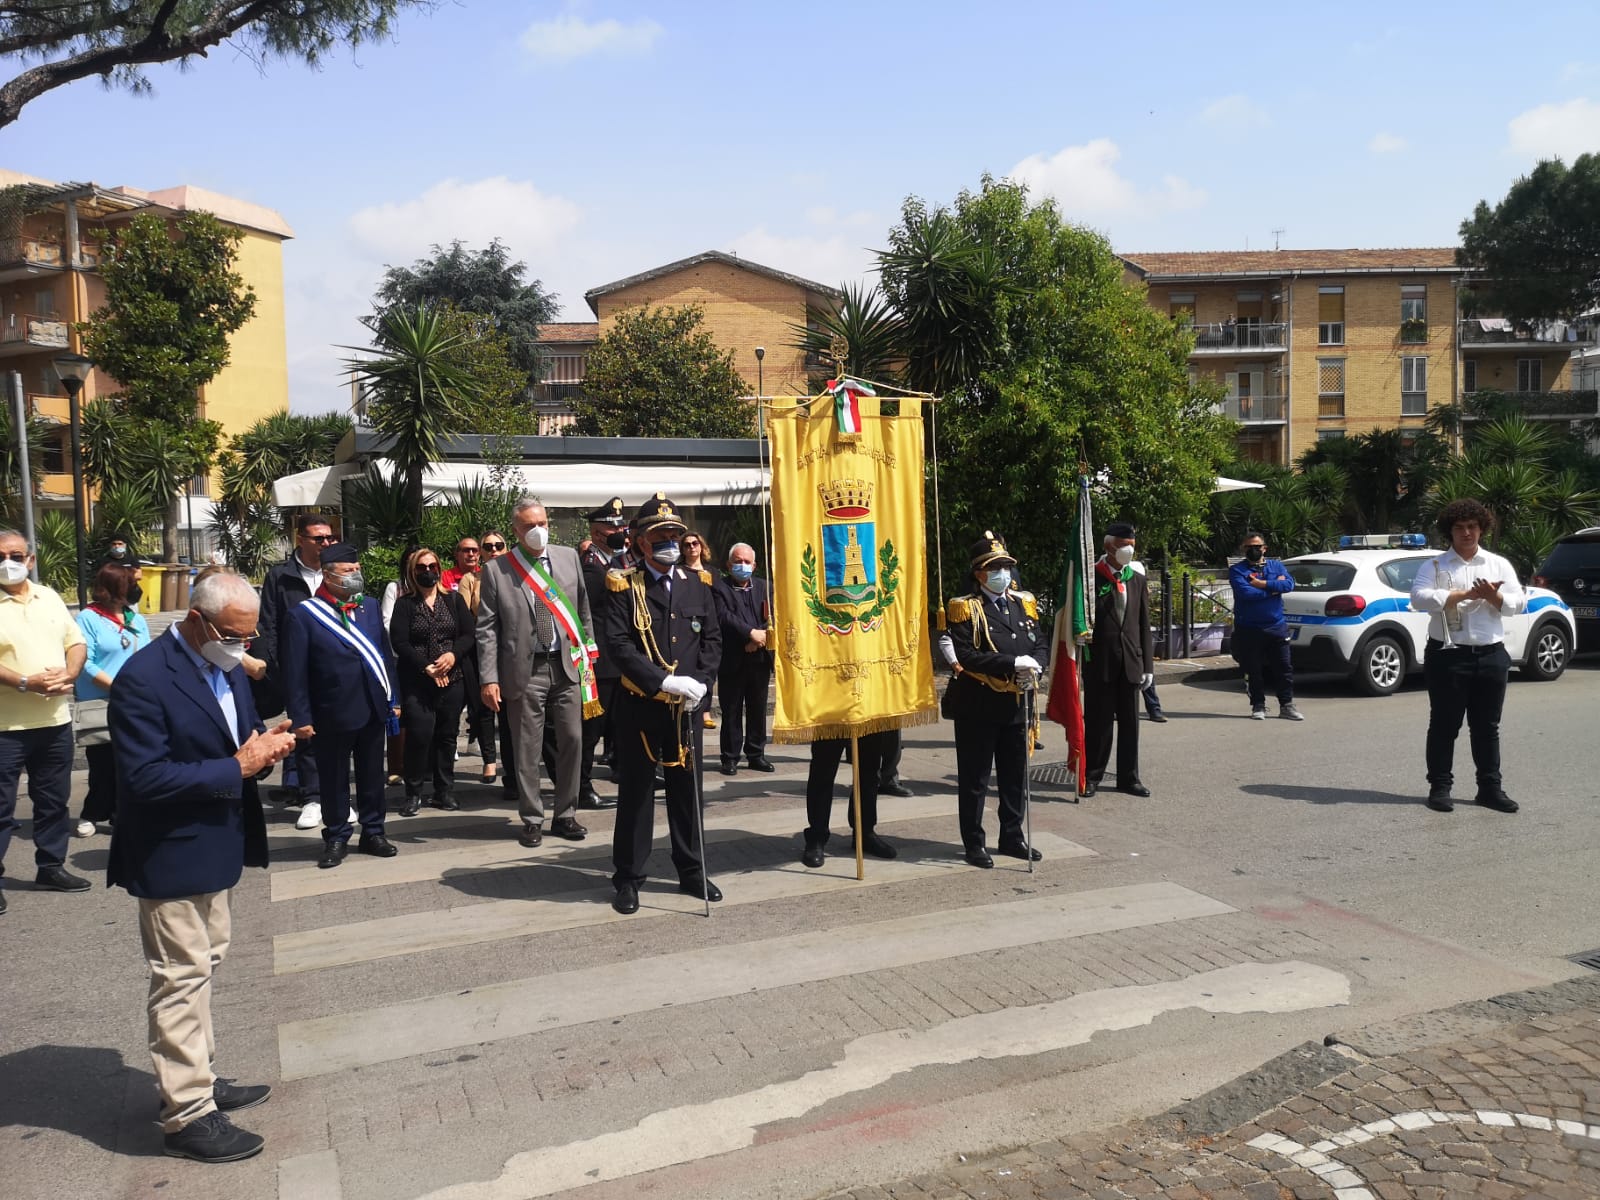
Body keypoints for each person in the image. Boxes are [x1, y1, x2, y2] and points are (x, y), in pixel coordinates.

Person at [107, 571, 297, 1162]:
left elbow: (238, 743)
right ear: (196, 621)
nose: (244, 646)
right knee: (180, 979)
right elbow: (142, 779)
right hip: (168, 852)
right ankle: (187, 1116)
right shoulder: (143, 679)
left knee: (202, 969)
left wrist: (265, 749)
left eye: (249, 636)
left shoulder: (225, 666)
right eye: (235, 636)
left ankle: (200, 1082)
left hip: (215, 846)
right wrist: (240, 766)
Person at [599, 493, 722, 914]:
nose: (671, 541)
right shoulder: (623, 584)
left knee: (687, 792)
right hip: (643, 704)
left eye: (675, 533)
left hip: (685, 709)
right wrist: (664, 681)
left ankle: (690, 870)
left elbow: (712, 640)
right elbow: (616, 644)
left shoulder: (697, 583)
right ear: (639, 542)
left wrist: (702, 685)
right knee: (636, 794)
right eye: (661, 535)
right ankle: (629, 877)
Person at [477, 499, 596, 849]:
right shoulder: (498, 569)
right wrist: (489, 677)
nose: (538, 530)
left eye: (542, 522)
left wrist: (589, 654)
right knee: (527, 746)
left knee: (573, 740)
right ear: (516, 529)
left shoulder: (567, 557)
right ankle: (532, 818)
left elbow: (583, 610)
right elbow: (487, 629)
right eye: (530, 525)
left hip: (568, 664)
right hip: (525, 670)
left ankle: (565, 813)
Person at [281, 543, 401, 870]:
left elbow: (385, 657)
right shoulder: (304, 614)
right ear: (329, 575)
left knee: (372, 775)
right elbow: (295, 672)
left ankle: (374, 831)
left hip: (373, 707)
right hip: (330, 711)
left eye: (357, 569)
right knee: (333, 778)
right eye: (348, 571)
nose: (355, 575)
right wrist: (300, 717)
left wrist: (394, 699)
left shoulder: (370, 607)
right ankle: (336, 835)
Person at [1409, 499, 1525, 815]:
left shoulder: (1498, 564)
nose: (1466, 533)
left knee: (1487, 727)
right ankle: (1440, 788)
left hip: (1491, 654)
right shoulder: (1434, 566)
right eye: (1459, 528)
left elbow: (1518, 603)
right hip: (1448, 655)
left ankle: (1489, 789)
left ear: (1481, 529)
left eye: (1472, 527)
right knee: (1445, 725)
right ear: (1450, 531)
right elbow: (1418, 598)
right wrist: (1464, 595)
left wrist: (1494, 596)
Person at [944, 532, 1047, 867]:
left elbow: (1038, 643)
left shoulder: (1023, 603)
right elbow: (966, 655)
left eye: (1006, 566)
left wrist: (1035, 668)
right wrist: (1011, 663)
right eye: (995, 567)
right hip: (978, 706)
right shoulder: (965, 609)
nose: (1003, 573)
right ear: (979, 573)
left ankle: (1012, 835)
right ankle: (974, 842)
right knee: (975, 779)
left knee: (1014, 775)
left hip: (1016, 703)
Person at [0, 528, 89, 910]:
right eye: (1, 556)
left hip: (53, 722)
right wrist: (25, 682)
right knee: (1, 809)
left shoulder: (49, 597)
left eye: (16, 556)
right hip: (5, 727)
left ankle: (50, 865)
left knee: (53, 802)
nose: (8, 563)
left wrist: (70, 673)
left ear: (30, 560)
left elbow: (77, 642)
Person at [257, 513, 336, 827]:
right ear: (300, 540)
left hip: (334, 667)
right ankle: (312, 797)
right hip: (296, 669)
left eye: (330, 538)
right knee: (305, 731)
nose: (326, 544)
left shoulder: (337, 572)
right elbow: (268, 625)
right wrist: (278, 666)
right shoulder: (280, 577)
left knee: (337, 731)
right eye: (319, 539)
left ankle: (336, 794)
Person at [390, 547, 475, 816]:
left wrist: (452, 655)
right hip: (418, 680)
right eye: (421, 568)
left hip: (453, 677)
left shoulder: (453, 600)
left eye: (432, 567)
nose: (428, 572)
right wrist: (425, 666)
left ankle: (444, 791)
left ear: (439, 569)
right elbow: (399, 641)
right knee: (419, 735)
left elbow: (468, 634)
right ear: (412, 572)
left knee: (447, 737)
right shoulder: (405, 604)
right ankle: (413, 792)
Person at [73, 560, 151, 836]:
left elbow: (147, 656)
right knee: (103, 764)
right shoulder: (88, 618)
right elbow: (85, 661)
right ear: (111, 588)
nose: (135, 589)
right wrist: (116, 686)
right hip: (102, 700)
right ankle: (92, 813)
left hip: (134, 702)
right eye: (130, 584)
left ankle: (123, 813)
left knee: (132, 760)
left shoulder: (135, 618)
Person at [1082, 521, 1154, 799]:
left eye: (1132, 547)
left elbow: (1143, 625)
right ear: (1109, 546)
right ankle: (1092, 776)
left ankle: (1129, 778)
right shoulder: (1091, 580)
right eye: (1124, 546)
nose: (1129, 552)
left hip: (1131, 662)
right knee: (1099, 724)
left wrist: (1148, 665)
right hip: (1101, 663)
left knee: (1130, 725)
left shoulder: (1136, 579)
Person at [577, 499, 629, 808]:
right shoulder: (592, 569)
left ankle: (623, 771)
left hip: (618, 661)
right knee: (591, 732)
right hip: (601, 664)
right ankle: (582, 788)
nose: (620, 531)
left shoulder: (613, 563)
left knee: (620, 726)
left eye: (621, 526)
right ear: (597, 533)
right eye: (613, 527)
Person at [712, 542, 774, 775]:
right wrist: (749, 634)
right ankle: (730, 757)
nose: (742, 565)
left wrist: (758, 639)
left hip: (759, 657)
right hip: (733, 658)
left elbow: (772, 617)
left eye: (747, 562)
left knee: (758, 709)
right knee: (731, 709)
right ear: (729, 564)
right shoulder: (719, 588)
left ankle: (756, 754)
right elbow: (724, 616)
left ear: (754, 565)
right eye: (738, 561)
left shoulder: (765, 587)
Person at [1229, 532, 1302, 722]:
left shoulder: (1276, 566)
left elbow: (1288, 584)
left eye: (1257, 546)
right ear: (1243, 549)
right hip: (1249, 628)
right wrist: (1273, 588)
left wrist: (1262, 584)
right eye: (1248, 547)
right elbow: (1246, 593)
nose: (1253, 550)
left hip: (1276, 626)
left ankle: (1286, 705)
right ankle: (1258, 705)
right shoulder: (1237, 570)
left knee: (1284, 668)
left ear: (1264, 548)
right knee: (1253, 670)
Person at [802, 730, 899, 867]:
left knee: (869, 768)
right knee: (823, 767)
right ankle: (816, 837)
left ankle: (864, 832)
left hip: (867, 712)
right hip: (831, 712)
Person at [683, 531, 719, 732]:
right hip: (691, 623)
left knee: (708, 668)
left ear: (702, 546)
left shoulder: (712, 572)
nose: (691, 547)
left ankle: (706, 710)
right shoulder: (680, 571)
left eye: (695, 543)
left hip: (711, 622)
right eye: (687, 545)